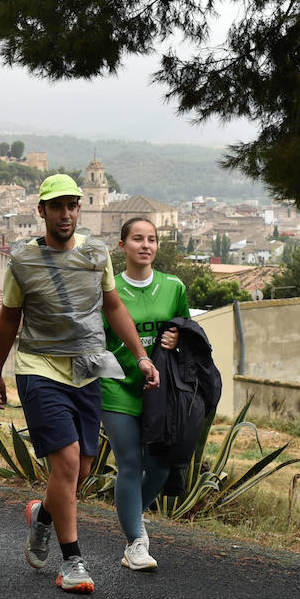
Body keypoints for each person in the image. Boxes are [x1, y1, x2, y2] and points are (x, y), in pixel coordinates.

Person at [0, 175, 159, 594]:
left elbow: (113, 306)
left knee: (80, 469)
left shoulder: (96, 253)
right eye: (56, 206)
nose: (65, 214)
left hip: (86, 368)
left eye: (72, 206)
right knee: (65, 464)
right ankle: (73, 562)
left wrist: (140, 356)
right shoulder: (23, 261)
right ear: (41, 211)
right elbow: (9, 317)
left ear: (79, 210)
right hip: (39, 367)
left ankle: (42, 516)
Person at [100, 217, 189, 573]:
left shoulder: (174, 287)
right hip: (117, 385)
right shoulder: (109, 288)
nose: (145, 245)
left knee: (162, 465)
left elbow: (188, 331)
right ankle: (135, 543)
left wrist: (178, 338)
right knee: (131, 464)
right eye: (137, 239)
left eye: (151, 239)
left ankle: (133, 518)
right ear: (122, 246)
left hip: (159, 391)